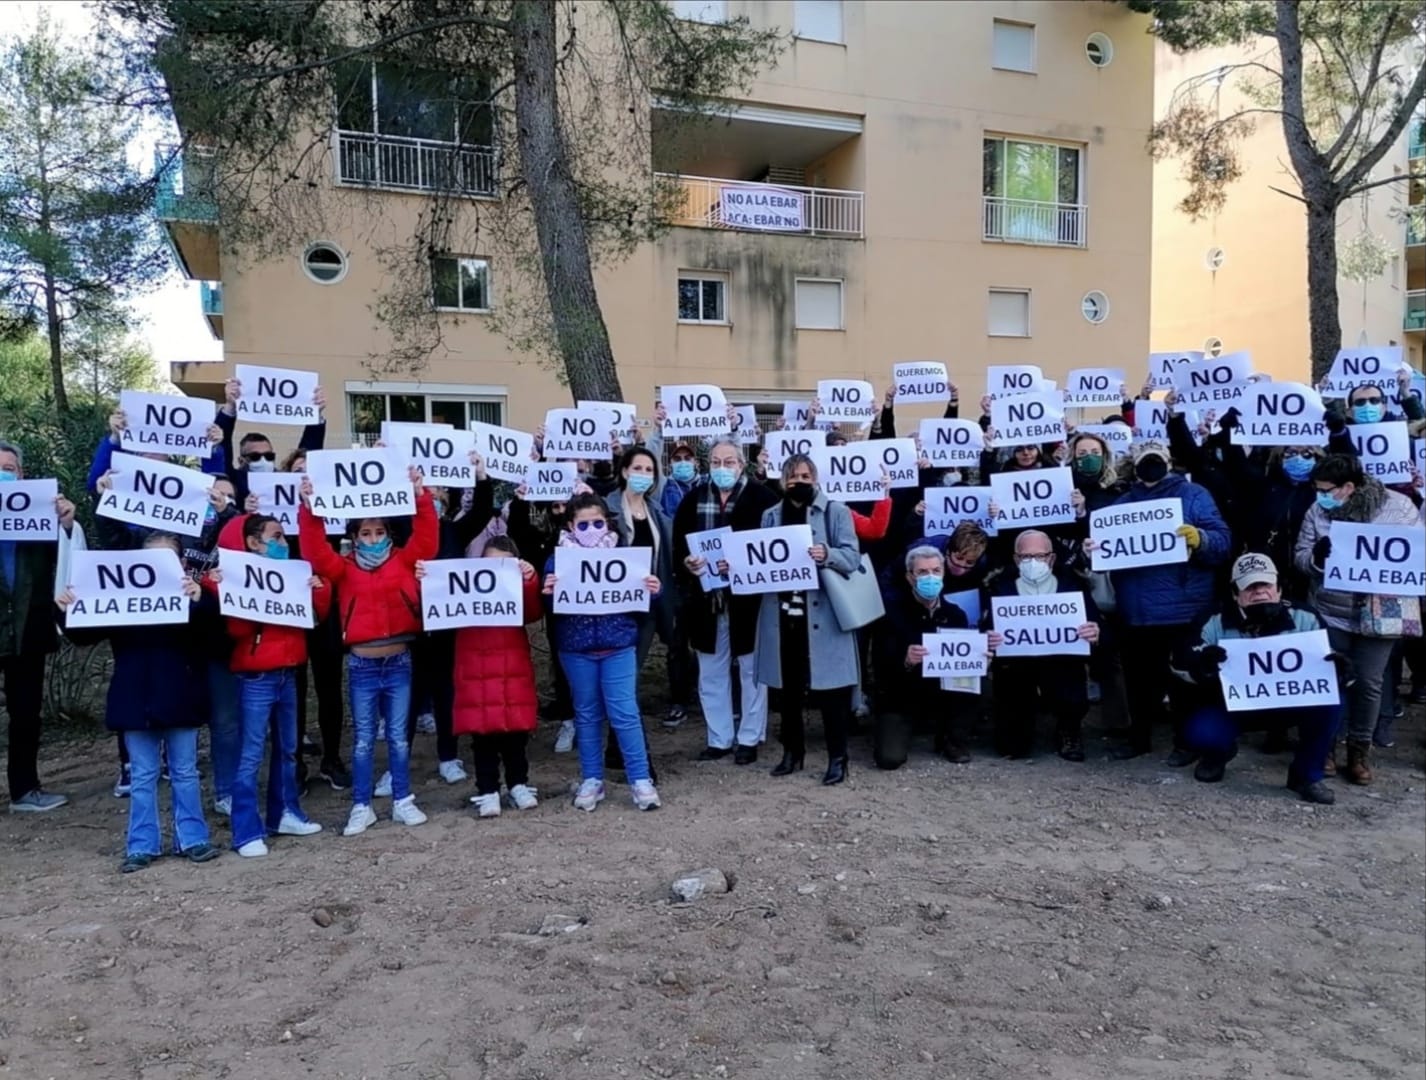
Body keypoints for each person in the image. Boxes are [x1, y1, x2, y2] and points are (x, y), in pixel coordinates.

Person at [57, 533, 223, 870]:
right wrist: (65, 609)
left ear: (180, 563)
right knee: (143, 776)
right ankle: (141, 845)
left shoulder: (190, 599)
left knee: (185, 772)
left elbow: (215, 637)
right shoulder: (121, 598)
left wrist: (201, 600)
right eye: (150, 558)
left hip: (180, 697)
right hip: (135, 700)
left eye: (166, 558)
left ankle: (193, 839)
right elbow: (83, 634)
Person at [298, 468, 438, 835]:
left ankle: (403, 800)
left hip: (399, 663)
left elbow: (427, 537)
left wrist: (421, 496)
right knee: (362, 740)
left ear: (389, 535)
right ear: (355, 537)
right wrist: (310, 508)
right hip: (362, 665)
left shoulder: (406, 562)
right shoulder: (342, 569)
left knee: (397, 737)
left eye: (379, 532)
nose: (373, 538)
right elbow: (315, 550)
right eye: (365, 532)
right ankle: (361, 806)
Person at [1095, 440, 1231, 763]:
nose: (1151, 465)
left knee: (1183, 679)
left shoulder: (1194, 495)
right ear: (1135, 464)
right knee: (1138, 681)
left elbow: (1223, 541)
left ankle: (1185, 743)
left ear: (1168, 463)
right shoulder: (1123, 504)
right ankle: (1138, 739)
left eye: (1157, 459)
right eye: (1145, 460)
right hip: (1137, 609)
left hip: (1184, 606)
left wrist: (1201, 539)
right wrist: (1096, 549)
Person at [1172, 552, 1339, 805]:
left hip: (1290, 703)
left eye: (1266, 585)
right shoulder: (1211, 620)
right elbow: (1179, 664)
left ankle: (1305, 776)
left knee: (1333, 704)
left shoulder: (1306, 617)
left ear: (1279, 589)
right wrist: (1202, 664)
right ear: (1235, 593)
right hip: (1232, 706)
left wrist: (1342, 671)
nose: (1259, 591)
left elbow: (1330, 663)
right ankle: (1219, 753)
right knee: (1200, 733)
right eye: (1250, 586)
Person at [1295, 453, 1420, 785]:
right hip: (1330, 611)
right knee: (1329, 682)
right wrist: (1316, 559)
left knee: (1368, 684)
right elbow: (1300, 557)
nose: (1319, 494)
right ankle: (1326, 748)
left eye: (1325, 489)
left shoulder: (1399, 507)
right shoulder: (1316, 510)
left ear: (1348, 487)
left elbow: (1416, 557)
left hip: (1381, 614)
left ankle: (1359, 751)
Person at [209, 513, 330, 856]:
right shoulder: (233, 579)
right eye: (275, 537)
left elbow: (314, 618)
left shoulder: (294, 574)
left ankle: (285, 813)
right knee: (250, 756)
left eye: (283, 536)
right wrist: (229, 589)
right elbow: (238, 631)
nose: (283, 542)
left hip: (288, 673)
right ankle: (246, 832)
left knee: (288, 750)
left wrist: (317, 592)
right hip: (256, 677)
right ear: (252, 542)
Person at [542, 492, 664, 811]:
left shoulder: (625, 555)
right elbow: (549, 608)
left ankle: (640, 780)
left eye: (598, 522)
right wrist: (548, 591)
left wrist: (653, 590)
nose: (592, 528)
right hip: (576, 648)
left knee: (625, 713)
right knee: (587, 715)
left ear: (607, 522)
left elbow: (642, 602)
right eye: (583, 524)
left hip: (618, 645)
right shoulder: (557, 560)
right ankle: (592, 779)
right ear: (570, 525)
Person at [754, 454, 862, 785]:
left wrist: (826, 554)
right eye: (792, 476)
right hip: (784, 614)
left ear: (814, 477)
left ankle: (837, 758)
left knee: (832, 692)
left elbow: (853, 556)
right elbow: (759, 560)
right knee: (788, 690)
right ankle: (793, 753)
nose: (798, 481)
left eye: (804, 475)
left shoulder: (836, 511)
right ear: (783, 480)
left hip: (825, 615)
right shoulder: (771, 516)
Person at [673, 438, 779, 762]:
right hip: (706, 600)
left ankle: (749, 738)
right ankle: (719, 739)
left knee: (751, 670)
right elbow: (679, 546)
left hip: (750, 601)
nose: (723, 468)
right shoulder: (693, 499)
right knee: (711, 671)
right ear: (708, 465)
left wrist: (742, 563)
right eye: (717, 462)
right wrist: (688, 563)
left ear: (741, 464)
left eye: (729, 462)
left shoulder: (764, 498)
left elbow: (773, 548)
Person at [1, 439, 82, 813]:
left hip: (27, 633)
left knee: (26, 714)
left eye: (10, 468)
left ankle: (25, 789)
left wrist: (64, 524)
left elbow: (63, 563)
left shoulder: (36, 518)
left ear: (22, 475)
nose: (5, 474)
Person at [985, 530, 1101, 761]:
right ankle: (1017, 727)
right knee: (1011, 747)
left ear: (1051, 558)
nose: (1033, 562)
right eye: (1026, 557)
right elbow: (987, 626)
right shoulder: (1001, 587)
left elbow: (1099, 625)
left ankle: (1069, 730)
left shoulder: (1072, 586)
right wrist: (988, 637)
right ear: (1016, 559)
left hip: (1061, 661)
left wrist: (1095, 632)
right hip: (1017, 664)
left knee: (1070, 681)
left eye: (1039, 556)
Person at [872, 545, 980, 768]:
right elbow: (879, 665)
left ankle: (951, 739)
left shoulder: (955, 614)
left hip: (941, 693)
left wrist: (979, 656)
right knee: (889, 759)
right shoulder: (890, 614)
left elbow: (961, 664)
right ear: (910, 577)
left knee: (970, 684)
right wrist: (906, 660)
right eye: (922, 572)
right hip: (901, 694)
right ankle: (896, 727)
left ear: (943, 573)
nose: (930, 577)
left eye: (936, 571)